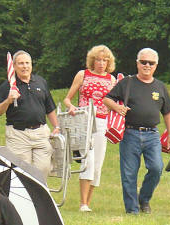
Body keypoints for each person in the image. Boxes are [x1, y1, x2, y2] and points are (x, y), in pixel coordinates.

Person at [103, 48, 170, 214]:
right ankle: (132, 210)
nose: (147, 65)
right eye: (143, 62)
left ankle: (144, 199)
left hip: (152, 135)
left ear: (156, 65)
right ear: (137, 63)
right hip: (130, 133)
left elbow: (168, 112)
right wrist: (117, 107)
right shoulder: (127, 82)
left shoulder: (160, 87)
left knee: (157, 168)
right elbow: (107, 98)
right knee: (129, 173)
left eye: (151, 63)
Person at [0, 50, 60, 181]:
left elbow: (49, 107)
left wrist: (56, 126)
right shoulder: (8, 86)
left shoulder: (40, 82)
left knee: (43, 168)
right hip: (18, 135)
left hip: (41, 133)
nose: (25, 66)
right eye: (21, 63)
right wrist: (8, 100)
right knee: (22, 172)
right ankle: (26, 201)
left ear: (31, 65)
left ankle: (39, 199)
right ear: (14, 66)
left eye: (27, 63)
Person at [64, 45, 116, 212]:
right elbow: (67, 99)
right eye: (98, 60)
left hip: (102, 123)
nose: (101, 63)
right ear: (92, 61)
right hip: (84, 121)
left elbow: (115, 103)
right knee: (88, 160)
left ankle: (88, 201)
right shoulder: (83, 75)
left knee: (98, 164)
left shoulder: (112, 80)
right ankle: (83, 203)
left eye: (105, 60)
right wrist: (72, 108)